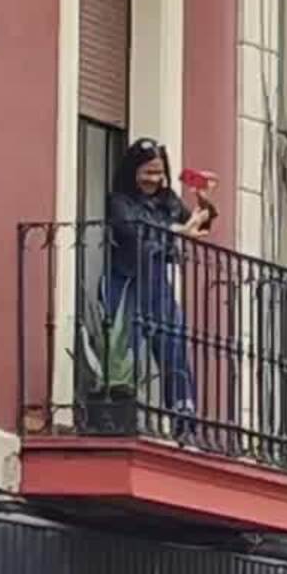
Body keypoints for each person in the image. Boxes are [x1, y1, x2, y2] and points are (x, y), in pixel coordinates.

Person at [101, 137, 218, 419]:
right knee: (125, 349)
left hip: (157, 284)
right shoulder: (120, 202)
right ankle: (121, 414)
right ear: (133, 171)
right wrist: (179, 231)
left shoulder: (168, 201)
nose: (153, 179)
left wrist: (204, 201)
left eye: (158, 172)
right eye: (147, 172)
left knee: (174, 349)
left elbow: (201, 224)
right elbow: (133, 232)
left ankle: (183, 418)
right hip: (126, 281)